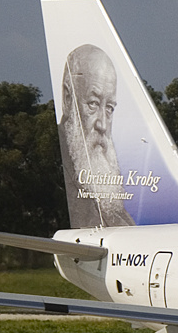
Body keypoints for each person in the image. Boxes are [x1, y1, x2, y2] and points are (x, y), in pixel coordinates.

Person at [58, 44, 135, 227]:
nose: (102, 124)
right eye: (93, 104)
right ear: (68, 99)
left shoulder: (114, 207)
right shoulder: (57, 172)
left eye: (109, 108)